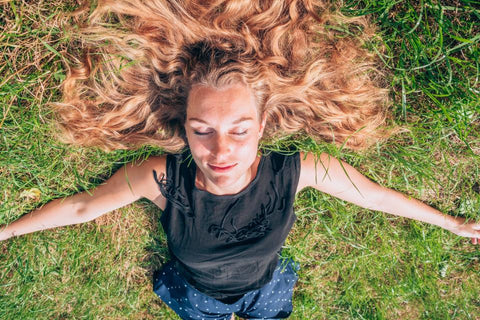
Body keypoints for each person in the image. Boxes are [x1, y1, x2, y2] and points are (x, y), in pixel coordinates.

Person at [1, 1, 479, 319]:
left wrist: (451, 223)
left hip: (265, 289)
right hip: (194, 292)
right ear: (182, 127)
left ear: (264, 124)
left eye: (240, 130)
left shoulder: (298, 170)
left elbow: (374, 197)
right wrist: (6, 232)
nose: (221, 151)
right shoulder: (162, 178)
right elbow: (83, 207)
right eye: (202, 131)